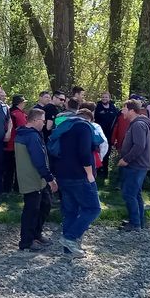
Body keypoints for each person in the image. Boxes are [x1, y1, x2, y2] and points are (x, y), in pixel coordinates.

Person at [50, 98, 99, 257]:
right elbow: (84, 153)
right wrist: (90, 174)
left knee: (70, 211)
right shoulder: (84, 127)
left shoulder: (65, 126)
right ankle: (70, 238)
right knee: (93, 208)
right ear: (89, 118)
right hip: (79, 175)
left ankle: (68, 250)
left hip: (62, 174)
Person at [14, 108, 57, 252]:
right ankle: (26, 241)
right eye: (43, 121)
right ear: (35, 120)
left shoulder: (28, 133)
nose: (44, 124)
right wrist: (50, 178)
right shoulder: (31, 136)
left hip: (38, 179)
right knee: (31, 211)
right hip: (32, 179)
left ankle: (36, 235)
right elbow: (39, 159)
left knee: (45, 205)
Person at [118, 100, 150, 231]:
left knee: (129, 194)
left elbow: (139, 146)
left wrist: (126, 159)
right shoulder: (136, 124)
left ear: (132, 110)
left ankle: (135, 223)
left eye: (124, 108)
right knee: (135, 194)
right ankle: (138, 221)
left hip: (136, 165)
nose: (122, 111)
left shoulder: (138, 125)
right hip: (136, 165)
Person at [2, 95, 27, 194]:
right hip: (15, 145)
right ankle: (17, 188)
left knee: (7, 169)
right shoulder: (18, 114)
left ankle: (6, 188)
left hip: (6, 144)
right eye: (24, 102)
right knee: (18, 168)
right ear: (20, 103)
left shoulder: (8, 112)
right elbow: (23, 129)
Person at [94, 92, 120, 179]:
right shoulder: (97, 107)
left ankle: (105, 172)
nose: (104, 98)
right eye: (103, 97)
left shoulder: (113, 108)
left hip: (110, 134)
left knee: (107, 152)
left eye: (106, 97)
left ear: (109, 98)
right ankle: (98, 170)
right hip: (99, 134)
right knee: (99, 152)